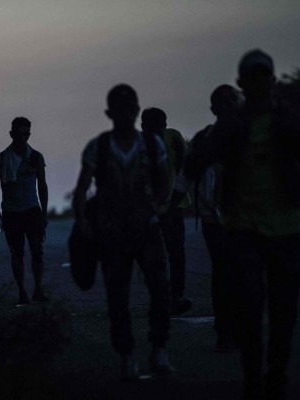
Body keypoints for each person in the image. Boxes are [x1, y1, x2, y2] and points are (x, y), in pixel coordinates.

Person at [183, 50, 300, 400]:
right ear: (243, 83)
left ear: (271, 81)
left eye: (264, 76)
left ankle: (274, 376)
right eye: (254, 77)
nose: (260, 83)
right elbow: (196, 162)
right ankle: (253, 378)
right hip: (243, 229)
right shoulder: (233, 125)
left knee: (283, 311)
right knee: (249, 307)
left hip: (284, 227)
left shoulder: (286, 120)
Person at [72, 84, 174, 380]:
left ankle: (158, 348)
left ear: (136, 111)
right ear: (110, 113)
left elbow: (164, 183)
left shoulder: (152, 145)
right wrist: (83, 222)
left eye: (129, 110)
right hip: (112, 234)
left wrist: (153, 208)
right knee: (118, 296)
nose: (125, 115)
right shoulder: (99, 146)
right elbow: (82, 188)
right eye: (120, 111)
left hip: (147, 229)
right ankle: (128, 355)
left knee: (160, 289)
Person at [170, 84, 243, 351]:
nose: (227, 109)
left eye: (230, 103)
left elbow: (184, 178)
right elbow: (186, 176)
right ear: (215, 109)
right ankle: (227, 330)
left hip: (241, 218)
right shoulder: (207, 139)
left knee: (232, 274)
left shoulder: (239, 135)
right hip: (218, 219)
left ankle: (230, 330)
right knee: (227, 273)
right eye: (224, 104)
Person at [0, 117, 49, 306]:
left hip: (32, 210)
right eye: (20, 133)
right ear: (12, 134)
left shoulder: (36, 157)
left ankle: (37, 289)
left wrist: (44, 212)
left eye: (26, 133)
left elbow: (42, 185)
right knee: (17, 253)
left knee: (37, 251)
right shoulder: (1, 159)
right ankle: (22, 291)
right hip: (11, 213)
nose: (23, 137)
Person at [141, 108, 192, 316]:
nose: (158, 131)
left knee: (176, 252)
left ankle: (175, 297)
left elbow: (184, 167)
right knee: (154, 256)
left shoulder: (173, 138)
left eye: (160, 126)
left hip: (173, 206)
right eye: (152, 127)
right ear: (143, 127)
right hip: (149, 208)